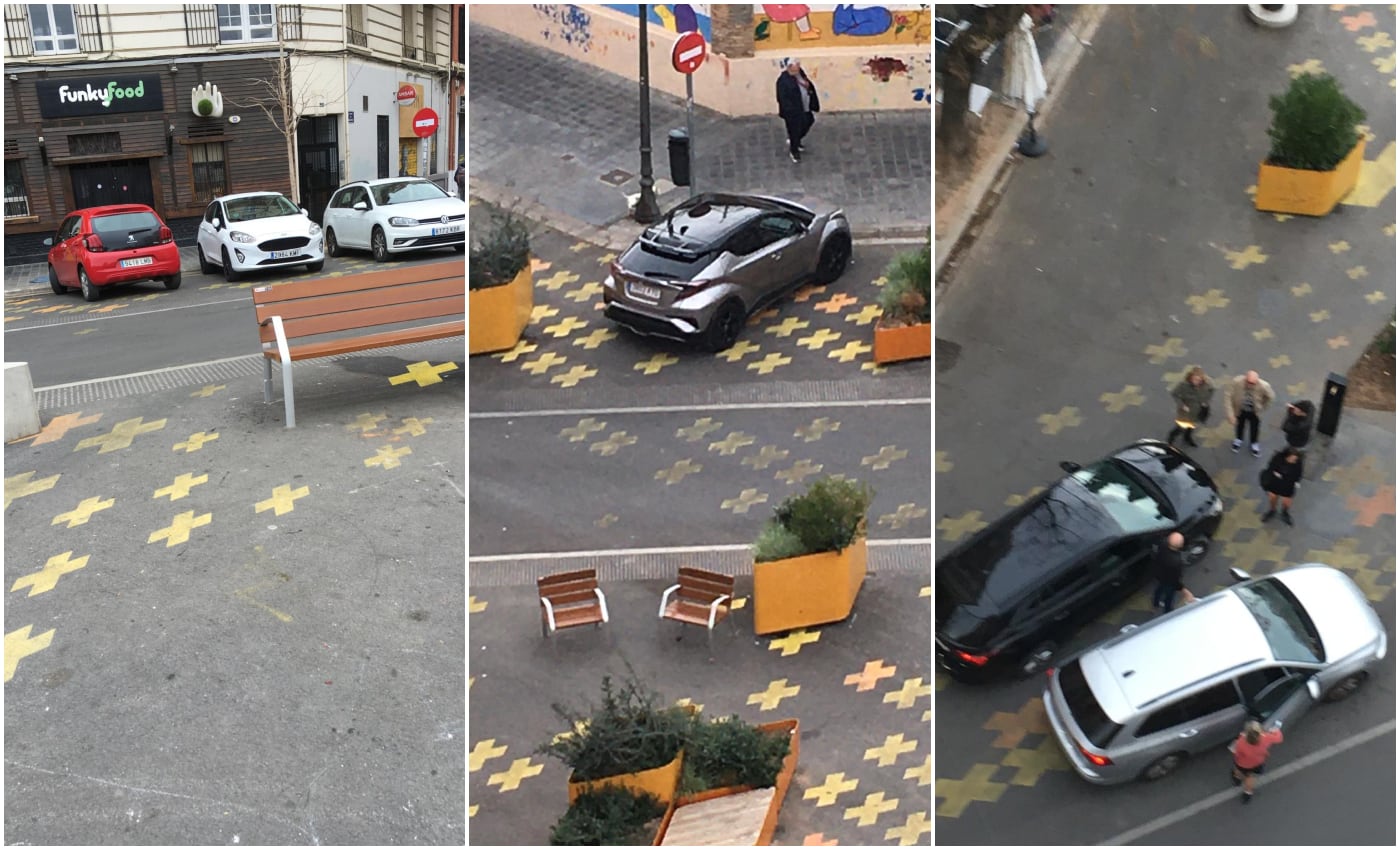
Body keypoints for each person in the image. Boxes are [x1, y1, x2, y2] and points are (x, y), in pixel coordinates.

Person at [776, 60, 820, 163]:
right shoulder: (783, 81)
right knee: (794, 130)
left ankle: (795, 140)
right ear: (789, 67)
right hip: (793, 112)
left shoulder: (800, 73)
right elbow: (782, 99)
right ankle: (794, 150)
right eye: (796, 66)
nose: (798, 67)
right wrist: (790, 111)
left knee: (809, 120)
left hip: (805, 107)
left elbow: (807, 83)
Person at [1231, 719, 1283, 804]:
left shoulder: (1241, 742)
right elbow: (1279, 738)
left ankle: (1237, 779)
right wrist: (1275, 730)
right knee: (1250, 778)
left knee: (1238, 771)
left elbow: (1236, 753)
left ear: (1246, 732)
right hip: (1257, 763)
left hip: (1242, 764)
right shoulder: (1266, 738)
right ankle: (1247, 793)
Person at [1224, 370, 1275, 457]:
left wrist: (1262, 408)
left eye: (1253, 383)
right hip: (1240, 410)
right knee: (1239, 425)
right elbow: (1228, 397)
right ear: (1245, 378)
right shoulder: (1236, 382)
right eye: (1249, 382)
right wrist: (1231, 415)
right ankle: (1239, 439)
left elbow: (1271, 397)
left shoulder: (1264, 386)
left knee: (1254, 428)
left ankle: (1254, 443)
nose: (1251, 385)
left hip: (1254, 412)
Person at [1167, 366, 1214, 448]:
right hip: (1186, 412)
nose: (1196, 382)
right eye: (1195, 379)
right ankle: (1171, 437)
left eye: (1199, 380)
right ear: (1191, 377)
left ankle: (1187, 437)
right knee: (1180, 427)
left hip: (1198, 411)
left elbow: (1211, 391)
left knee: (1192, 426)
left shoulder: (1207, 385)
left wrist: (1206, 401)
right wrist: (1182, 405)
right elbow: (1174, 394)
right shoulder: (1184, 385)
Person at [1150, 532, 1193, 612]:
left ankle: (1155, 604)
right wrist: (1184, 590)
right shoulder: (1176, 562)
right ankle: (1167, 611)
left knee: (1159, 589)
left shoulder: (1162, 545)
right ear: (1180, 546)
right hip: (1168, 582)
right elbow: (1175, 580)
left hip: (1159, 575)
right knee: (1169, 597)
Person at [1261, 446, 1304, 525]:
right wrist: (1276, 474)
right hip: (1275, 483)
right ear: (1286, 456)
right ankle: (1272, 510)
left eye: (1295, 459)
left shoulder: (1298, 462)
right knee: (1273, 498)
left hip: (1288, 484)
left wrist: (1297, 482)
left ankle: (1285, 512)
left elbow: (1299, 473)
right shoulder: (1278, 458)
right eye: (1292, 459)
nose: (1294, 461)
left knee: (1287, 501)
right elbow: (1270, 468)